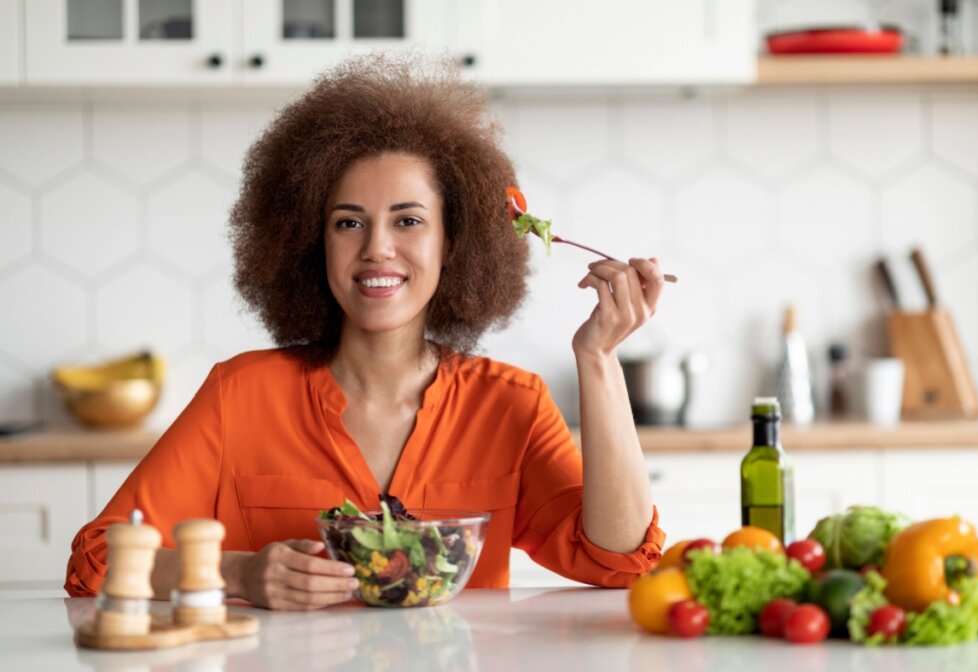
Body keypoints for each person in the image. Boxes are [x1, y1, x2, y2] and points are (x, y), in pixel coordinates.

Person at [65, 53, 667, 610]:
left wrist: (600, 358)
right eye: (348, 222)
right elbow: (95, 563)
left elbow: (619, 561)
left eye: (408, 220)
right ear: (312, 242)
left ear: (452, 243)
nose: (377, 248)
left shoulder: (511, 405)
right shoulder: (239, 396)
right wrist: (240, 575)